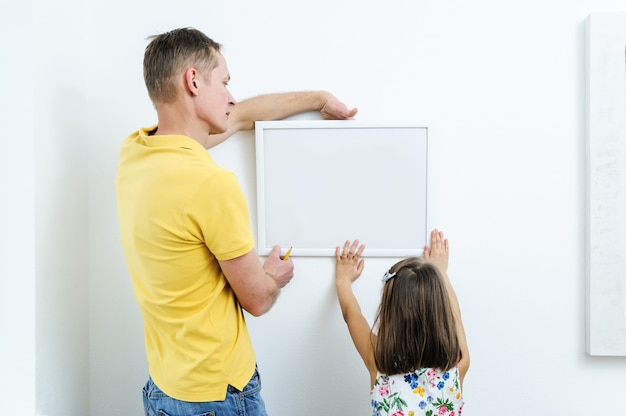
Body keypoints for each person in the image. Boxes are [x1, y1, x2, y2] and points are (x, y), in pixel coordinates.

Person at [115, 27, 357, 416]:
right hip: (218, 396)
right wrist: (273, 276)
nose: (231, 96)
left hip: (164, 389)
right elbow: (257, 299)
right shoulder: (209, 183)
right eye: (224, 82)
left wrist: (319, 99)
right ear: (193, 80)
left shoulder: (135, 155)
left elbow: (241, 116)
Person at [335, 229, 469, 416]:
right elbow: (456, 314)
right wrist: (440, 271)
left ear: (390, 310)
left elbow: (351, 314)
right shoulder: (459, 364)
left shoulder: (378, 361)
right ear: (440, 309)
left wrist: (343, 281)